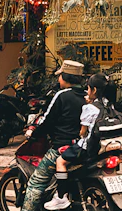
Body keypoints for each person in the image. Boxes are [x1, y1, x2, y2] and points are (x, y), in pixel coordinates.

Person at [44, 73, 117, 210]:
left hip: (88, 147)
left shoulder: (89, 108)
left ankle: (61, 197)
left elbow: (83, 132)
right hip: (107, 146)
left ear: (94, 90)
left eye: (88, 88)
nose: (87, 91)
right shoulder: (110, 106)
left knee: (60, 161)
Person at [21, 61, 86, 211]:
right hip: (81, 146)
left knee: (36, 182)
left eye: (60, 76)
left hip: (62, 147)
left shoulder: (62, 96)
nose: (58, 79)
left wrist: (34, 133)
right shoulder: (87, 95)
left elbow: (47, 121)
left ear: (65, 77)